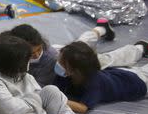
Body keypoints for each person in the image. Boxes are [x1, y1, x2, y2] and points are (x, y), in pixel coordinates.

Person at [8, 20, 138, 87]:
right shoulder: (12, 47)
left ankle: (138, 49)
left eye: (38, 50)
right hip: (61, 51)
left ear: (41, 44)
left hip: (64, 57)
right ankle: (101, 28)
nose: (36, 55)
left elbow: (38, 86)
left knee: (101, 60)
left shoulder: (49, 60)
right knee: (81, 42)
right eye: (32, 54)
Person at [55, 40, 148, 114]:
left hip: (136, 84)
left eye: (62, 62)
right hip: (118, 75)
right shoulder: (67, 73)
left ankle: (142, 49)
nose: (58, 63)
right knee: (142, 71)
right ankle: (141, 48)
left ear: (75, 71)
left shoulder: (94, 83)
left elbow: (83, 108)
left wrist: (57, 100)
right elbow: (55, 88)